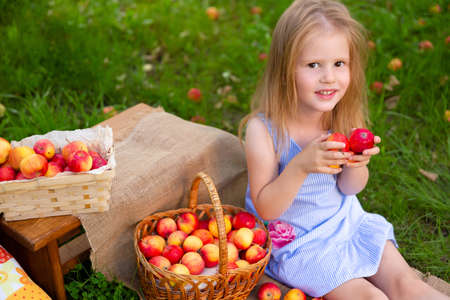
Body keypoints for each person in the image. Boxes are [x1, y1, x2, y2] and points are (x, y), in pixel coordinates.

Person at [239, 0, 448, 299]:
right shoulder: (265, 131)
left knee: (407, 284)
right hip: (301, 244)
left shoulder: (340, 117)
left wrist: (357, 164)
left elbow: (350, 188)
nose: (329, 77)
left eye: (339, 63)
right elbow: (266, 208)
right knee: (370, 297)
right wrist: (300, 166)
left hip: (346, 222)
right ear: (286, 69)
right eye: (313, 65)